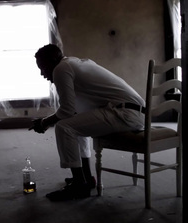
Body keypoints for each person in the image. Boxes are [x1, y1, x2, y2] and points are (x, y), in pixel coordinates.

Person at [29, 44, 145, 201]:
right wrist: (47, 121)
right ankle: (87, 178)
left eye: (43, 67)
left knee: (64, 127)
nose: (42, 74)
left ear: (52, 61)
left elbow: (66, 111)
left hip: (125, 113)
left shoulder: (61, 69)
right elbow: (73, 112)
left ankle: (78, 186)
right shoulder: (75, 63)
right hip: (134, 112)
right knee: (74, 123)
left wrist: (44, 122)